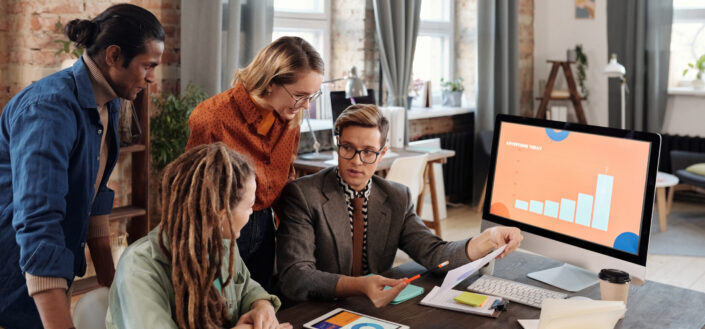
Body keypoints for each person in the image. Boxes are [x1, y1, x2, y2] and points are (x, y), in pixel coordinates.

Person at [0, 4, 164, 329]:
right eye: (148, 65)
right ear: (114, 56)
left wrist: (113, 287)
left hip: (46, 269)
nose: (152, 78)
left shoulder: (108, 103)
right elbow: (38, 220)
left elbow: (94, 193)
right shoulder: (49, 109)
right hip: (15, 270)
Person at [275, 104, 524, 307]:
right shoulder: (303, 194)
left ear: (382, 154)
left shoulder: (396, 197)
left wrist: (486, 239)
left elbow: (435, 254)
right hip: (314, 309)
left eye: (368, 152)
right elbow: (295, 277)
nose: (356, 161)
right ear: (337, 145)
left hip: (373, 310)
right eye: (347, 148)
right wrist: (358, 285)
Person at [186, 36, 324, 290]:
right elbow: (194, 195)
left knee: (259, 302)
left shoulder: (291, 115)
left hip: (264, 225)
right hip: (221, 230)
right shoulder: (212, 118)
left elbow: (286, 176)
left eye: (312, 96)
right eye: (300, 95)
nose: (306, 105)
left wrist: (299, 233)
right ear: (271, 82)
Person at [107, 143, 291, 329]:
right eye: (250, 205)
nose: (252, 213)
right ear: (221, 215)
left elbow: (246, 288)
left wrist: (262, 305)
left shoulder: (221, 245)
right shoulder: (138, 267)